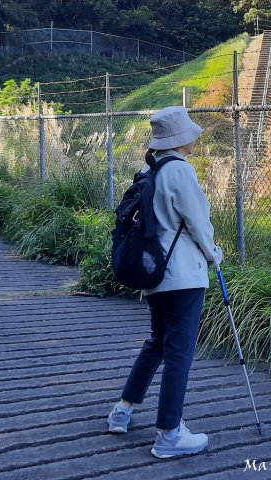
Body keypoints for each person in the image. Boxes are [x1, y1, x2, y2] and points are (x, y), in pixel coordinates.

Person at [107, 106, 223, 459]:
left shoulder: (149, 167)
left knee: (157, 342)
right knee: (178, 353)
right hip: (183, 276)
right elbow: (199, 223)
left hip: (154, 273)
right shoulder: (179, 172)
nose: (195, 137)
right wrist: (214, 254)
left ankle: (123, 410)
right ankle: (169, 434)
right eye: (190, 133)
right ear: (181, 138)